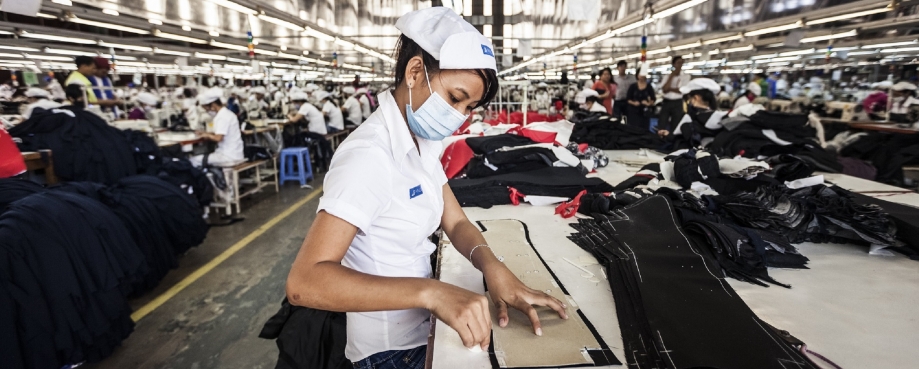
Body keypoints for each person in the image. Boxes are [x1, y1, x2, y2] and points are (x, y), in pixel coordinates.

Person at [285, 7, 568, 369]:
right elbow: (304, 281)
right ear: (415, 72)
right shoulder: (369, 155)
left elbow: (456, 221)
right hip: (390, 353)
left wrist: (492, 267)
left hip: (423, 328)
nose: (460, 117)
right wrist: (433, 293)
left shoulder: (421, 140)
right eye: (455, 98)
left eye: (469, 107)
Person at [190, 89, 244, 167]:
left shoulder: (221, 117)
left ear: (213, 105)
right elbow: (221, 133)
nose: (207, 110)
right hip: (235, 153)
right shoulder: (227, 113)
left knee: (193, 160)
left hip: (228, 156)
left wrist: (207, 135)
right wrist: (206, 133)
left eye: (207, 108)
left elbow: (218, 138)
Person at [658, 78, 722, 139]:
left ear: (696, 98)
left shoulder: (694, 118)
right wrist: (670, 135)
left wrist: (670, 137)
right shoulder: (718, 117)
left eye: (688, 99)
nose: (688, 102)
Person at [658, 56, 690, 131]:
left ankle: (673, 140)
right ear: (674, 64)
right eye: (678, 63)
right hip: (667, 102)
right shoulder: (667, 76)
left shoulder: (686, 76)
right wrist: (671, 77)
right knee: (662, 122)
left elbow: (682, 90)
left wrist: (670, 89)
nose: (680, 65)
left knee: (676, 124)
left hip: (678, 102)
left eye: (681, 63)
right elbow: (665, 89)